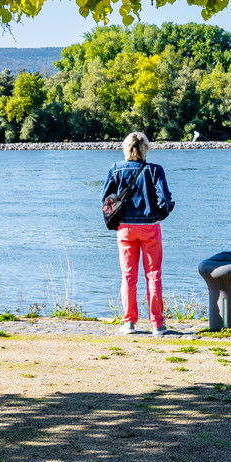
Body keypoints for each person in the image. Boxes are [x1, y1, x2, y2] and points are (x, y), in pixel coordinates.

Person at [102, 131, 174, 336]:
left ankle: (129, 323)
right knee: (153, 276)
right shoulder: (155, 170)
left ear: (126, 148)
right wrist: (160, 215)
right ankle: (157, 325)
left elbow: (105, 198)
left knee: (128, 276)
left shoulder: (116, 169)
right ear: (146, 149)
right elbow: (165, 199)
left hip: (125, 228)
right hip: (150, 226)